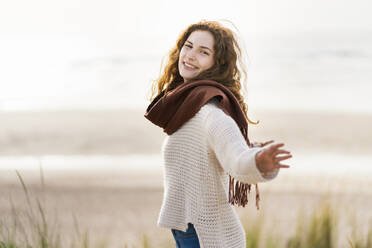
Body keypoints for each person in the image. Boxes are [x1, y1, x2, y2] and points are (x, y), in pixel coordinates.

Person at [144, 20, 292, 248]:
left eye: (203, 52)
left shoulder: (209, 112)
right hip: (187, 232)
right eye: (189, 46)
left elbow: (235, 159)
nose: (191, 55)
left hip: (206, 237)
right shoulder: (186, 104)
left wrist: (259, 161)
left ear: (216, 64)